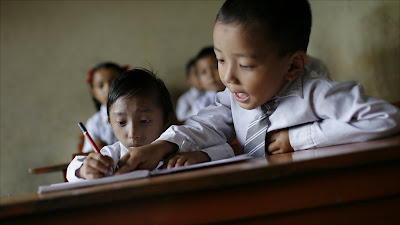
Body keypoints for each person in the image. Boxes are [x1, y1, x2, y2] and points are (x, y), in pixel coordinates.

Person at [113, 0, 400, 174]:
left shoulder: (316, 93)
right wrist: (162, 146)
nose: (228, 77)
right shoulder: (233, 98)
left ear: (292, 65)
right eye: (220, 60)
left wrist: (299, 139)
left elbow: (384, 117)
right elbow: (205, 125)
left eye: (246, 65)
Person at [67, 68, 174, 181]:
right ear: (110, 123)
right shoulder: (111, 156)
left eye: (144, 121)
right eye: (121, 122)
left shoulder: (176, 146)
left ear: (167, 119)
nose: (133, 134)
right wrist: (83, 170)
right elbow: (73, 169)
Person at [82, 62, 129, 153]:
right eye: (101, 86)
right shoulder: (93, 123)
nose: (108, 88)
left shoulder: (136, 114)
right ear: (94, 93)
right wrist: (96, 149)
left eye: (114, 83)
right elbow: (86, 154)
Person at [191, 46, 226, 115]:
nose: (210, 76)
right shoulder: (199, 104)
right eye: (203, 72)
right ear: (199, 80)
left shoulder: (236, 96)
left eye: (215, 67)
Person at [175, 58, 204, 122]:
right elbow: (180, 119)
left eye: (203, 72)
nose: (201, 76)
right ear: (188, 79)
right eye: (196, 73)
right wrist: (194, 110)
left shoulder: (212, 94)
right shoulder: (184, 99)